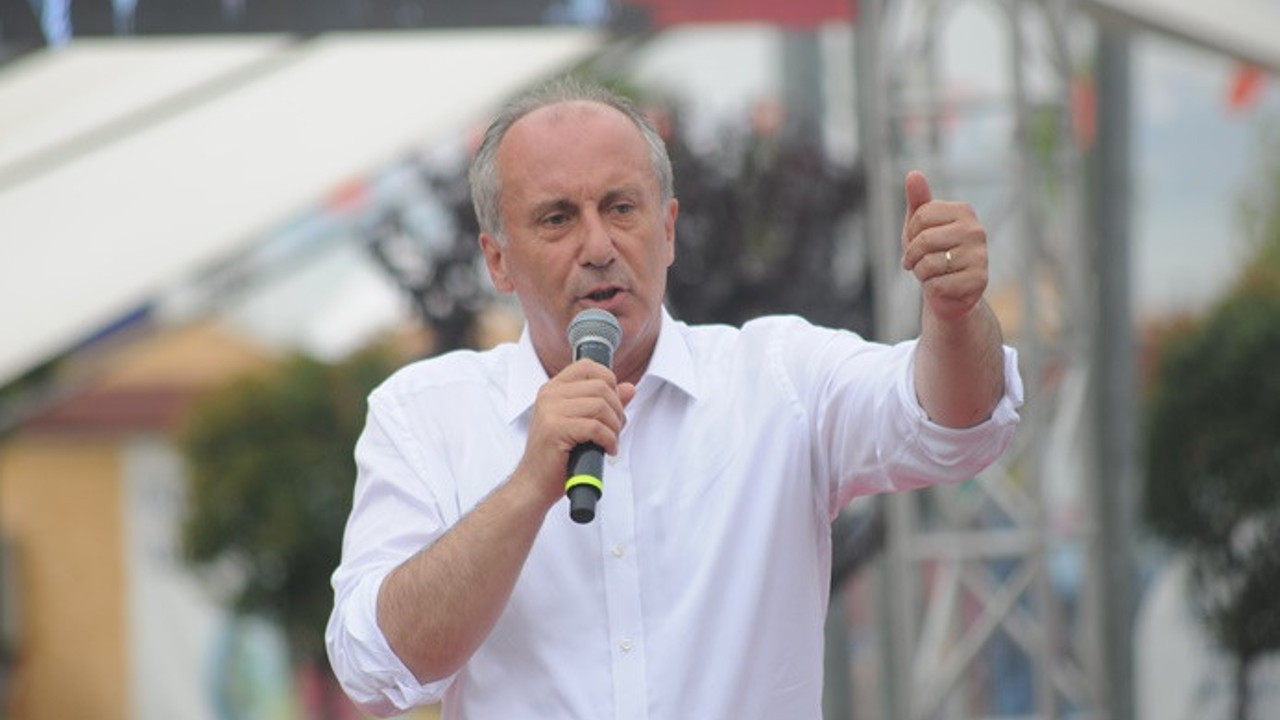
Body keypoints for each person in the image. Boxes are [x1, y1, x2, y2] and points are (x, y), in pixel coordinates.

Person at [325, 77, 1023, 719]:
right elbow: (373, 668)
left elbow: (955, 427)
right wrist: (527, 489)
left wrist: (955, 317)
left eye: (621, 207)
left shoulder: (777, 378)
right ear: (498, 259)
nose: (598, 245)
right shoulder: (423, 415)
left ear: (667, 230)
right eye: (558, 218)